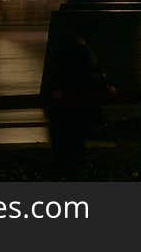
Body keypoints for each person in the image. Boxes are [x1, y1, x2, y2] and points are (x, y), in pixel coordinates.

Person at [40, 24, 115, 170]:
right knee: (76, 137)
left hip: (62, 107)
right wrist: (107, 87)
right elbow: (93, 75)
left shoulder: (60, 53)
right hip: (79, 105)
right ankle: (77, 163)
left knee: (66, 137)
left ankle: (65, 164)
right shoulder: (84, 52)